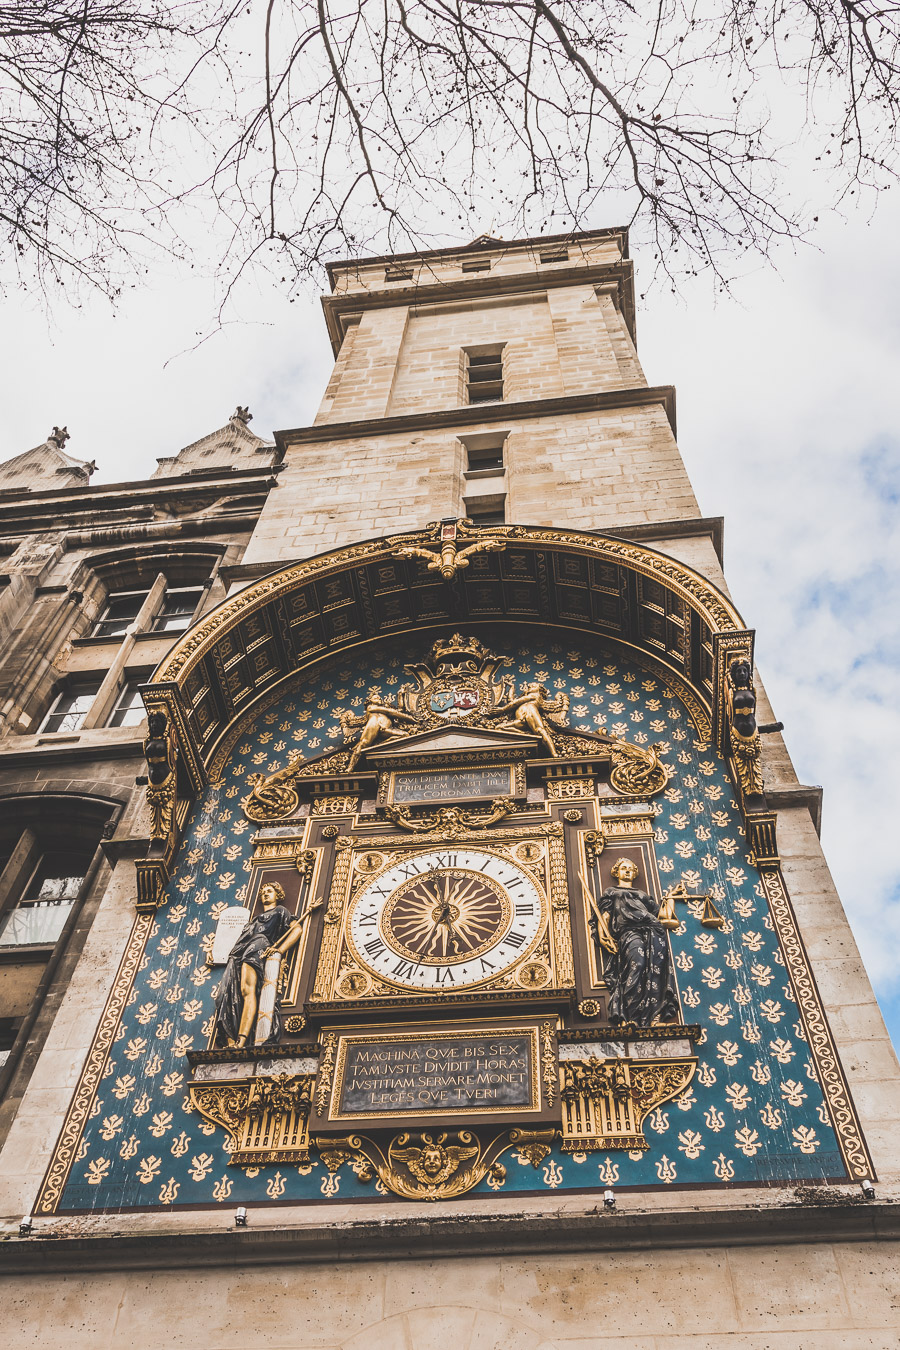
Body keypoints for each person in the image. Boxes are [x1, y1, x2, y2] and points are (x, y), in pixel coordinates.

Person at [590, 858, 679, 1028]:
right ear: (617, 872)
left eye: (631, 868)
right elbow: (605, 916)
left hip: (654, 931)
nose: (628, 871)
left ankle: (654, 1019)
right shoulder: (612, 892)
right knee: (636, 965)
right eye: (624, 868)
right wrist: (602, 936)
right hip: (629, 932)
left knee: (655, 972)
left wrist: (671, 898)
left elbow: (663, 915)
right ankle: (630, 1016)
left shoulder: (643, 895)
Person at [214, 881, 304, 1048]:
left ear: (278, 895)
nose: (265, 893)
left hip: (257, 949)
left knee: (247, 991)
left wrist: (279, 950)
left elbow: (297, 929)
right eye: (263, 891)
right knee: (230, 993)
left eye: (270, 891)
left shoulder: (280, 911)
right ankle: (232, 1038)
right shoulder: (254, 920)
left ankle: (241, 1040)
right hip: (240, 955)